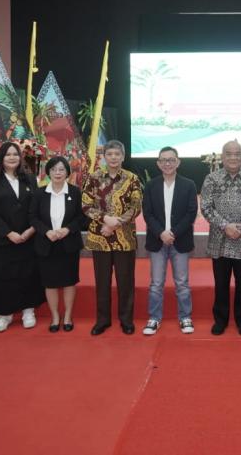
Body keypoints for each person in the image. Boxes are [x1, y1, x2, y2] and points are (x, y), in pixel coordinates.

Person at [0, 142, 44, 333]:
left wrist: (29, 231)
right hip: (1, 238)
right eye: (7, 154)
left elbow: (37, 208)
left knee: (27, 274)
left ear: (20, 157)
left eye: (15, 154)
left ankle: (28, 310)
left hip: (27, 237)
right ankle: (4, 314)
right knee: (3, 276)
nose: (11, 158)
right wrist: (8, 233)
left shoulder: (30, 179)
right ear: (1, 157)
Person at [200, 140, 241, 337]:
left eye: (237, 154)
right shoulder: (211, 179)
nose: (233, 157)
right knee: (221, 283)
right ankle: (221, 319)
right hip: (220, 240)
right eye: (229, 154)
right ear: (222, 156)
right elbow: (206, 207)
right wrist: (225, 226)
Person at [82, 140, 142, 336]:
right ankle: (103, 320)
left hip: (124, 238)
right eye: (110, 154)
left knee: (125, 281)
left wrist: (116, 223)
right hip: (100, 238)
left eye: (117, 154)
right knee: (102, 281)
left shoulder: (132, 178)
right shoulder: (94, 177)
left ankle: (126, 320)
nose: (114, 158)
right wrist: (105, 219)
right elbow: (86, 205)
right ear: (104, 157)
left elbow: (136, 206)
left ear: (123, 157)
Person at [141, 147, 198, 335]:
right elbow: (147, 213)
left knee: (182, 282)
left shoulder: (189, 184)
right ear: (158, 163)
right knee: (156, 283)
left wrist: (172, 233)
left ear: (178, 162)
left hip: (179, 241)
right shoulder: (151, 186)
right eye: (163, 160)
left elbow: (191, 213)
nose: (167, 163)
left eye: (171, 160)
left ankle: (185, 317)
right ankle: (154, 318)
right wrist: (161, 233)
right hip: (157, 241)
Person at [29, 156, 86, 333]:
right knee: (50, 283)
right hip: (46, 243)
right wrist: (47, 231)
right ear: (49, 172)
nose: (58, 173)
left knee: (69, 281)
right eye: (54, 169)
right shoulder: (39, 193)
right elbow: (32, 217)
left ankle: (68, 315)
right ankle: (55, 316)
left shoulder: (75, 192)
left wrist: (67, 229)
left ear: (67, 172)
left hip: (68, 243)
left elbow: (81, 218)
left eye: (61, 169)